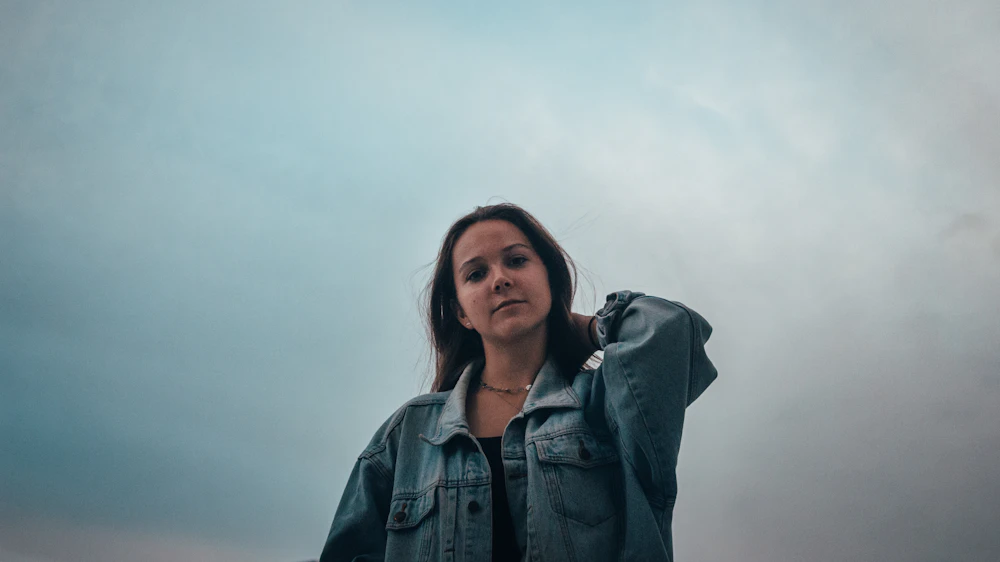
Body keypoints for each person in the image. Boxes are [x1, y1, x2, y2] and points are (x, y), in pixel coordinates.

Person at [319, 203, 718, 561]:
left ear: (550, 278)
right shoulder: (408, 435)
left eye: (517, 261)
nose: (500, 279)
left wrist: (591, 328)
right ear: (461, 313)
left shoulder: (607, 402)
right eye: (476, 273)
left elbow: (672, 333)